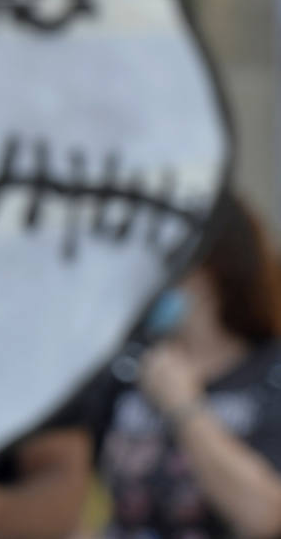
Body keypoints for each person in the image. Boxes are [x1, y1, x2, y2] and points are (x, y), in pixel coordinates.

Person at [85, 190, 281, 537]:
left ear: (212, 267)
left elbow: (266, 515)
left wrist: (184, 406)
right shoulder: (127, 367)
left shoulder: (269, 372)